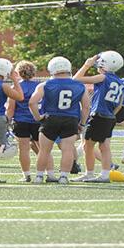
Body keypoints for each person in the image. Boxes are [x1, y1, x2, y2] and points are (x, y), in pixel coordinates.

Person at [28, 57, 90, 185]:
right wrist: (82, 123)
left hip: (50, 118)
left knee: (44, 150)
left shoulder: (45, 85)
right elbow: (86, 106)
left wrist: (38, 117)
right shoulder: (79, 85)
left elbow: (32, 102)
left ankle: (39, 177)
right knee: (67, 150)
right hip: (71, 119)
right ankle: (63, 177)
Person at [72, 52, 124, 183]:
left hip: (99, 116)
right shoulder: (120, 82)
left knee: (87, 146)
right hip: (110, 117)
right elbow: (119, 104)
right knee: (105, 146)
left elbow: (75, 79)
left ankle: (89, 174)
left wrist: (86, 65)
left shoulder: (103, 77)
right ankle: (105, 175)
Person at [6, 61, 55, 182]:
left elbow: (11, 108)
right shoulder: (41, 86)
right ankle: (50, 174)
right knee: (45, 149)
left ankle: (26, 175)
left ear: (19, 72)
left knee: (24, 149)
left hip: (21, 121)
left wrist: (7, 121)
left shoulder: (15, 87)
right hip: (38, 120)